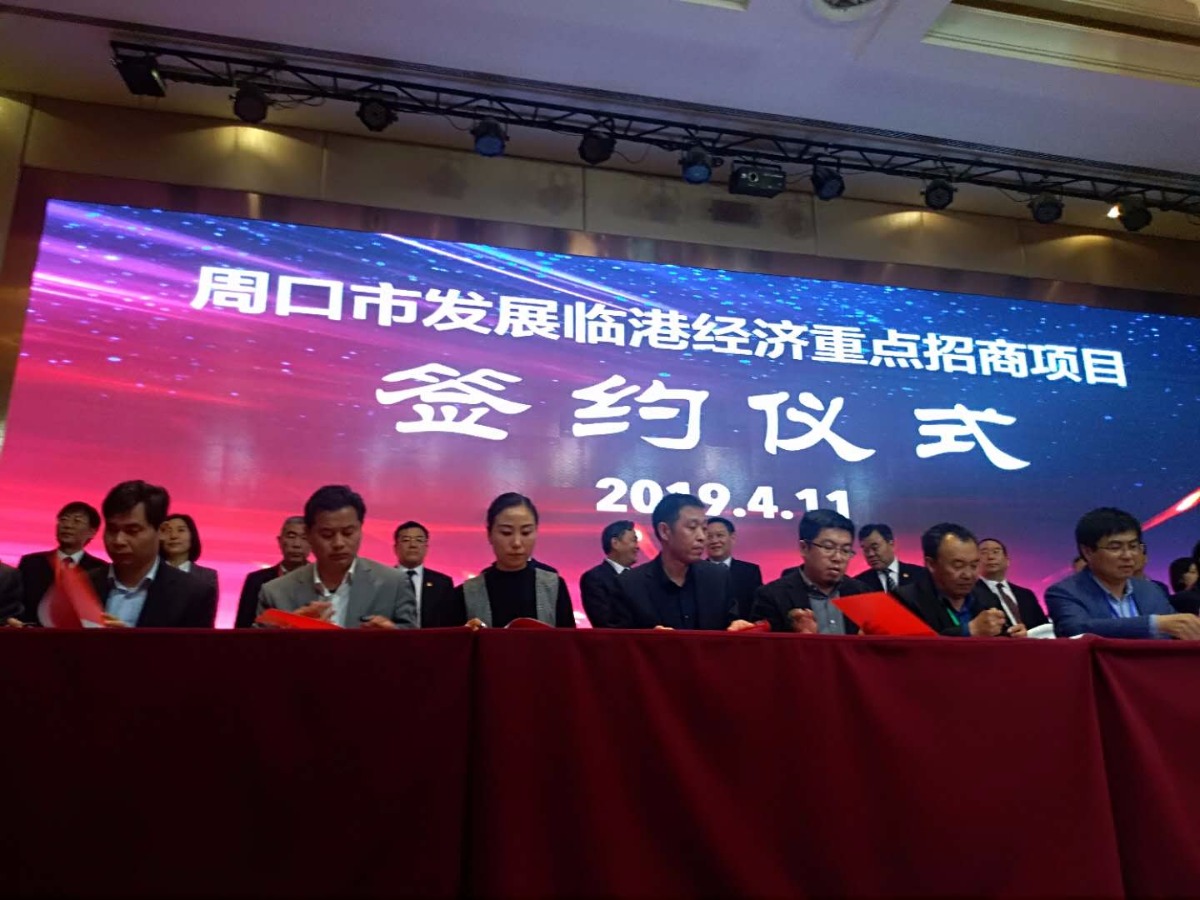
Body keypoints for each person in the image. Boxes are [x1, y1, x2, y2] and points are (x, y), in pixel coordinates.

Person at [258, 485, 417, 628]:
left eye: (348, 533)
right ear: (308, 535)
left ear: (360, 529)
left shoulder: (394, 584)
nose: (338, 543)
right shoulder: (276, 592)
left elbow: (415, 645)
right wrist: (287, 635)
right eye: (327, 535)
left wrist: (392, 638)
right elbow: (257, 649)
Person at [1045, 507, 1200, 639]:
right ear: (1088, 551)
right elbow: (1075, 630)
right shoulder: (1065, 592)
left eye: (1133, 546)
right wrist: (1153, 624)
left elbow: (1176, 633)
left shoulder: (1151, 590)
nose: (1127, 555)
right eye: (1115, 547)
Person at [612, 493, 755, 631]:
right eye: (692, 527)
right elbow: (619, 643)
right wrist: (649, 640)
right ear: (665, 531)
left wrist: (738, 628)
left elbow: (730, 624)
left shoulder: (718, 577)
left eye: (704, 529)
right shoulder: (629, 585)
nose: (702, 537)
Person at [85, 481, 217, 628]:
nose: (118, 540)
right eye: (112, 530)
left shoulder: (193, 593)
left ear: (161, 531)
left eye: (132, 531)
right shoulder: (82, 584)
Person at [446, 493, 574, 628]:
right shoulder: (467, 593)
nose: (517, 543)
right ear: (489, 534)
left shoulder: (553, 586)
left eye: (526, 532)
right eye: (506, 533)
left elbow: (569, 638)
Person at [752, 509, 874, 634]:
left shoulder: (863, 593)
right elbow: (764, 645)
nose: (838, 558)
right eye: (828, 547)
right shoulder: (772, 596)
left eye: (845, 550)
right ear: (804, 548)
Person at [895, 523, 1016, 637]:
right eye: (958, 566)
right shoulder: (905, 600)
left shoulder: (987, 598)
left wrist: (1014, 636)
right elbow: (915, 646)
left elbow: (1002, 636)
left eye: (974, 565)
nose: (968, 575)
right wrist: (968, 631)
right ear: (931, 564)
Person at [17, 501, 107, 624]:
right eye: (63, 520)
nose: (67, 525)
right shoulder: (31, 563)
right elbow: (16, 604)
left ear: (92, 532)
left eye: (77, 521)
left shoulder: (100, 569)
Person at [234, 516, 311, 628]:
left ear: (313, 543)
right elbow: (242, 627)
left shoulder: (322, 579)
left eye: (304, 538)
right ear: (280, 541)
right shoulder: (256, 580)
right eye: (291, 536)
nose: (297, 544)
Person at [393, 520, 456, 628]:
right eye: (406, 540)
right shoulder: (382, 580)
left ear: (426, 548)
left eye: (419, 540)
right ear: (395, 548)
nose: (413, 545)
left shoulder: (443, 583)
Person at [978, 537, 1049, 629]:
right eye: (984, 553)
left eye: (996, 552)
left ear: (1007, 561)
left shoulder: (1027, 595)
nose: (990, 557)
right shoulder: (970, 594)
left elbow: (1044, 627)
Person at [579, 519, 639, 628]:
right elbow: (605, 622)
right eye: (633, 540)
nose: (637, 547)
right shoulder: (594, 578)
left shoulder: (640, 578)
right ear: (615, 543)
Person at [704, 516, 763, 620]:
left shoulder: (750, 572)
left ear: (732, 537)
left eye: (720, 535)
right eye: (709, 536)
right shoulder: (694, 571)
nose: (714, 541)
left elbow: (757, 608)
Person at [853, 523, 927, 594]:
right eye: (865, 550)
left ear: (891, 544)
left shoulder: (920, 574)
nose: (870, 554)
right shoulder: (859, 583)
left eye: (875, 548)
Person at [159, 513, 220, 595]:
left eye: (181, 530)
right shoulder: (150, 572)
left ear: (192, 536)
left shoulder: (207, 576)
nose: (173, 536)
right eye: (168, 531)